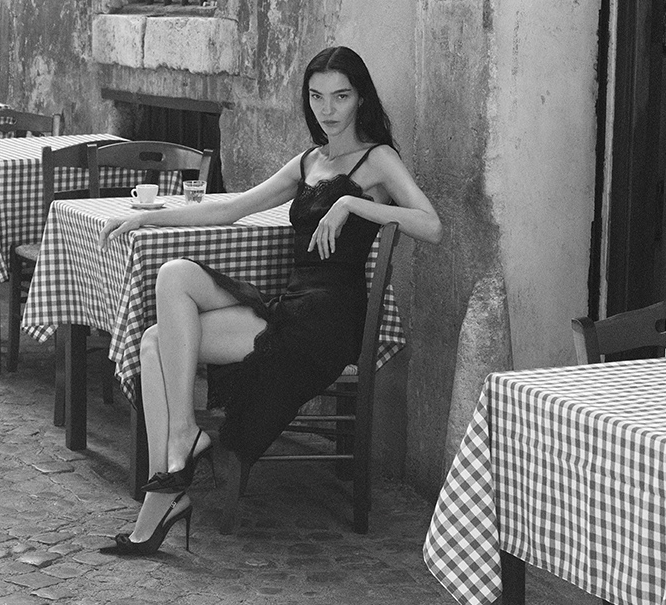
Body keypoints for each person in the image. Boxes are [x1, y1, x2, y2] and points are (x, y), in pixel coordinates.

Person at [96, 46, 443, 556]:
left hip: (327, 320)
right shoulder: (309, 161)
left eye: (341, 96)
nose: (328, 109)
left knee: (154, 343)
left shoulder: (378, 159)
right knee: (168, 292)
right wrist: (146, 217)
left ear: (360, 99)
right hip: (292, 305)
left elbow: (431, 226)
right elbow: (230, 209)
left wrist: (352, 203)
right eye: (317, 96)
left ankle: (168, 484)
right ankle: (177, 457)